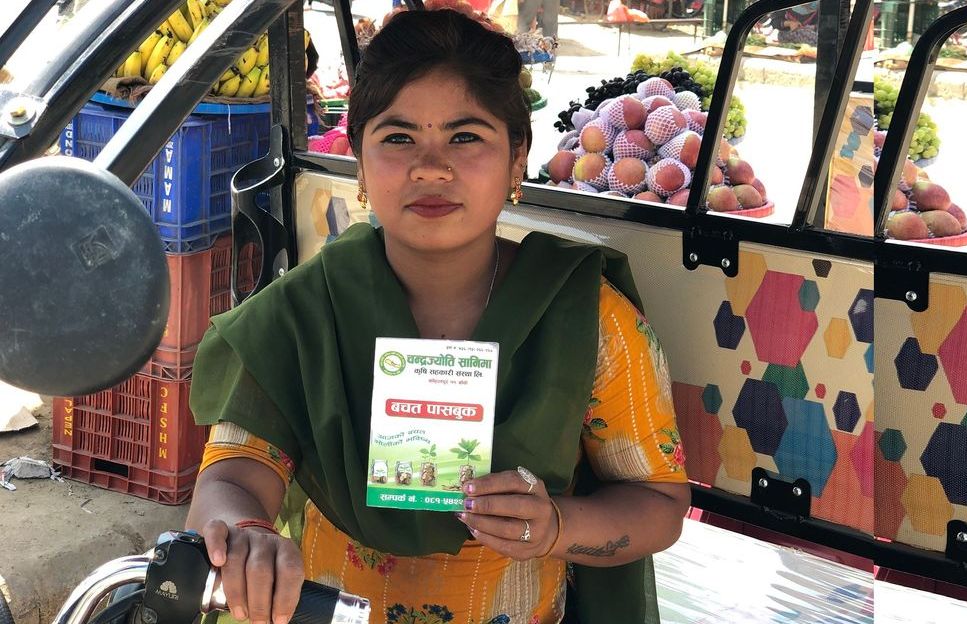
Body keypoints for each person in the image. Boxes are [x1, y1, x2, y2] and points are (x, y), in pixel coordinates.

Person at [185, 6, 689, 624]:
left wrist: (557, 524)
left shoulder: (586, 318)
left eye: (466, 136)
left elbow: (659, 502)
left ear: (516, 160)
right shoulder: (303, 312)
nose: (431, 166)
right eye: (398, 138)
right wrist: (244, 534)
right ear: (360, 161)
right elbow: (231, 478)